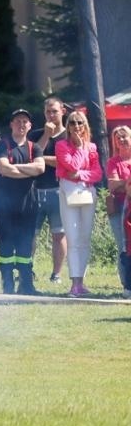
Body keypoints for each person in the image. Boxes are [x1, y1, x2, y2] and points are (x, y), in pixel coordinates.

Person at [0, 109, 45, 295]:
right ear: (11, 125)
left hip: (28, 203)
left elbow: (40, 168)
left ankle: (26, 284)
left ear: (30, 126)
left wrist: (15, 168)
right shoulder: (2, 146)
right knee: (6, 242)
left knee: (25, 242)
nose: (21, 124)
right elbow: (3, 169)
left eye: (25, 121)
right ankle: (7, 283)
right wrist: (25, 170)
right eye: (18, 121)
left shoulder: (34, 147)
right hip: (5, 203)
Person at [54, 109, 103, 296]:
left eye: (80, 122)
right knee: (73, 238)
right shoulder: (61, 146)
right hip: (69, 193)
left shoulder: (92, 147)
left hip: (87, 193)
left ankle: (81, 282)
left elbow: (97, 174)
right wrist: (80, 148)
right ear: (68, 126)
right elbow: (71, 165)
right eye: (73, 123)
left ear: (85, 125)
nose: (76, 126)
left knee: (84, 238)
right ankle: (74, 283)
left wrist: (81, 174)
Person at [30, 96, 70, 283]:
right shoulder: (35, 134)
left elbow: (66, 162)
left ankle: (56, 274)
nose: (51, 115)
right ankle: (27, 268)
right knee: (31, 233)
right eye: (48, 111)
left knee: (59, 233)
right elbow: (32, 154)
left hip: (58, 190)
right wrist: (46, 135)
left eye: (54, 111)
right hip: (35, 190)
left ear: (63, 111)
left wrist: (41, 159)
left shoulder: (69, 136)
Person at [105, 126, 131, 291]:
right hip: (120, 206)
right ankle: (126, 285)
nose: (122, 140)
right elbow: (112, 185)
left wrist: (124, 183)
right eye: (118, 138)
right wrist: (128, 183)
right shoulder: (112, 162)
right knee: (123, 246)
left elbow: (119, 183)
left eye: (125, 136)